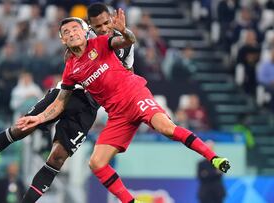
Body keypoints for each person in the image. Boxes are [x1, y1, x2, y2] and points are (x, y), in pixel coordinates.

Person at [16, 10, 231, 203]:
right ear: (63, 39)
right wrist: (39, 118)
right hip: (117, 114)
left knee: (166, 128)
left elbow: (127, 41)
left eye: (75, 28)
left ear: (84, 32)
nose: (72, 33)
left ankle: (213, 157)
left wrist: (124, 31)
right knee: (96, 163)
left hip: (134, 95)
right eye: (66, 31)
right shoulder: (71, 70)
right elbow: (60, 102)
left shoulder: (99, 44)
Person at [0, 3, 135, 203]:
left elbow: (128, 65)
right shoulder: (78, 52)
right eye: (98, 26)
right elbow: (63, 96)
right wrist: (39, 117)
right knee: (21, 128)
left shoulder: (121, 44)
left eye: (107, 24)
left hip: (88, 107)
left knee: (57, 158)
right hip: (64, 94)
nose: (104, 29)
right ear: (90, 29)